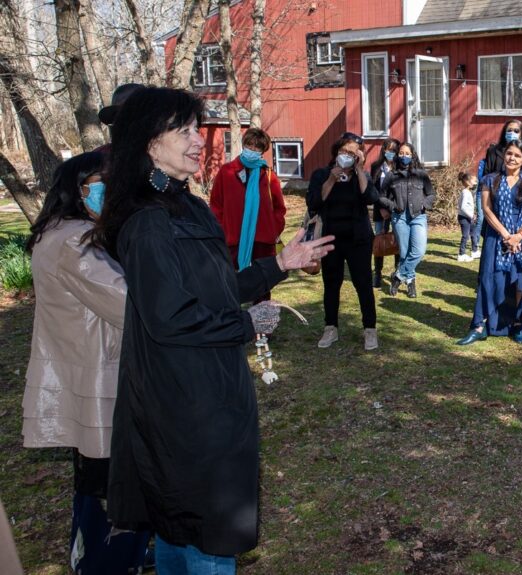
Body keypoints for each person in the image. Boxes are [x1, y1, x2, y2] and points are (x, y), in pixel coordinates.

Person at [94, 87, 333, 574]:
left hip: (209, 392)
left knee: (187, 530)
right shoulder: (147, 222)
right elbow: (172, 318)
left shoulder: (190, 206)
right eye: (182, 130)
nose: (197, 140)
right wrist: (247, 322)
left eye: (196, 129)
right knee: (202, 529)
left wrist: (281, 264)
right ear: (147, 142)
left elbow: (219, 289)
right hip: (184, 406)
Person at [23, 152, 150, 573]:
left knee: (94, 488)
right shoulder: (77, 242)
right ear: (79, 187)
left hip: (86, 376)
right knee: (113, 498)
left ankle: (96, 556)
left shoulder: (55, 233)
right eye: (104, 182)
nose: (111, 191)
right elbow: (130, 304)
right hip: (103, 384)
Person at [457, 140, 522, 345]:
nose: (512, 158)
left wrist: (519, 235)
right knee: (489, 280)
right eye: (509, 153)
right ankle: (479, 326)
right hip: (497, 236)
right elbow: (486, 209)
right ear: (504, 155)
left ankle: (519, 325)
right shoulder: (490, 179)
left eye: (517, 156)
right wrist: (506, 235)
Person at [307, 132, 379, 351]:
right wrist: (332, 179)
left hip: (358, 239)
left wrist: (358, 170)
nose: (347, 155)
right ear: (336, 151)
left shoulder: (361, 175)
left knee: (363, 284)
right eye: (344, 151)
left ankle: (370, 330)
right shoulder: (322, 174)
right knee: (331, 285)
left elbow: (371, 198)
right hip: (330, 238)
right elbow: (314, 203)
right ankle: (331, 328)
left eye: (352, 153)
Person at [209, 127, 287, 303]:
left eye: (257, 147)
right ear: (244, 145)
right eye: (250, 145)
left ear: (263, 151)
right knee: (229, 284)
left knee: (263, 285)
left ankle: (263, 327)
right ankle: (232, 324)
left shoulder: (268, 175)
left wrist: (272, 230)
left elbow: (279, 208)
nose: (253, 150)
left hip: (262, 242)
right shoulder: (227, 172)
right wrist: (222, 230)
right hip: (233, 240)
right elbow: (216, 205)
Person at [377, 142, 435, 298]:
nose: (404, 156)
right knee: (404, 252)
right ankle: (411, 284)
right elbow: (381, 196)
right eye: (401, 153)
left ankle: (398, 276)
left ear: (412, 155)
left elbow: (431, 194)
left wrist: (424, 204)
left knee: (418, 251)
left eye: (407, 153)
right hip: (400, 217)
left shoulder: (421, 174)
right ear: (398, 155)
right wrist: (392, 206)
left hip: (418, 216)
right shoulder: (391, 176)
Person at [478, 120, 522, 257]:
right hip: (498, 207)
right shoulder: (493, 152)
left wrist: (519, 235)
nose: (512, 133)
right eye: (509, 130)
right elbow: (486, 178)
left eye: (516, 131)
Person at [369, 138, 400, 287]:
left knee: (397, 241)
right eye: (388, 149)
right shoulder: (376, 166)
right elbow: (373, 190)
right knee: (379, 241)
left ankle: (397, 272)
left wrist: (392, 208)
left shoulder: (399, 167)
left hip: (396, 210)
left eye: (394, 150)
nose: (390, 153)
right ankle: (378, 273)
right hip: (380, 210)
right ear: (383, 150)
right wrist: (381, 208)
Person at [456, 171, 478, 262]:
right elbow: (463, 207)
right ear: (468, 182)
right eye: (474, 181)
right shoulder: (465, 192)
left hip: (469, 217)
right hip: (464, 218)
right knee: (465, 236)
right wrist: (471, 215)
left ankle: (474, 251)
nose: (476, 183)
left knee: (473, 233)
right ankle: (461, 254)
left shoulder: (468, 192)